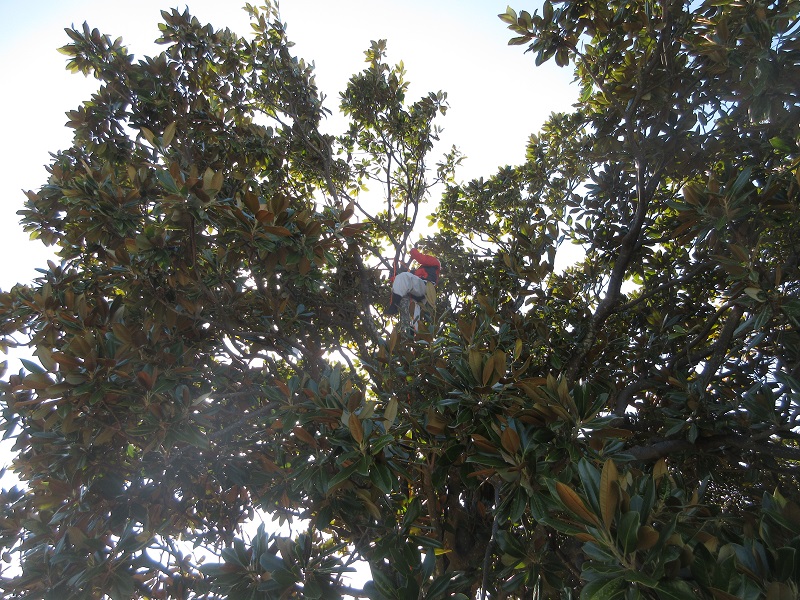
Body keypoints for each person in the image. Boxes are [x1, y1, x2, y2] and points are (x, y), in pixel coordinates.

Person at [386, 247, 440, 316]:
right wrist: (393, 278)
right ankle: (413, 323)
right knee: (414, 314)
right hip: (421, 294)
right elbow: (404, 282)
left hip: (426, 286)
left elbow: (421, 259)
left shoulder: (435, 262)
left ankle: (394, 306)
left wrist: (413, 250)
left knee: (404, 276)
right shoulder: (418, 272)